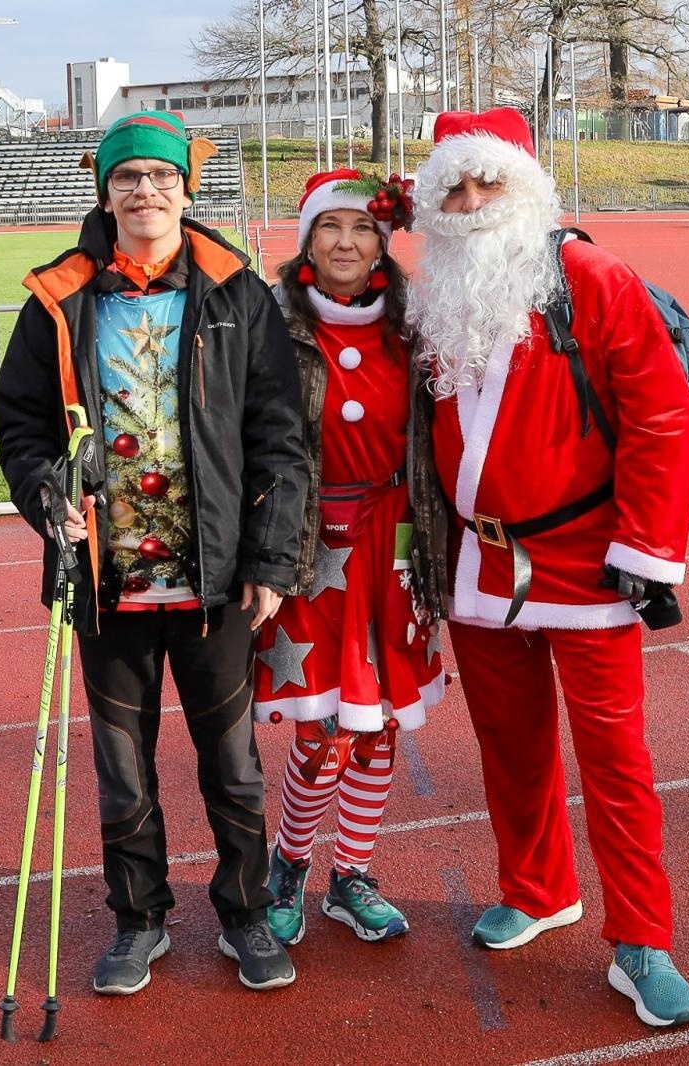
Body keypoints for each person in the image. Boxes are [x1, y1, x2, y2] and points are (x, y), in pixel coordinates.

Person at [0, 111, 309, 996]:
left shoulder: (237, 293)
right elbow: (22, 425)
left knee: (234, 767)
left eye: (161, 176)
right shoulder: (60, 298)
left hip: (216, 579)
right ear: (105, 193)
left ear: (184, 189)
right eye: (128, 177)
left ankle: (245, 915)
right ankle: (139, 920)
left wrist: (270, 561)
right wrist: (46, 497)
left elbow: (280, 439)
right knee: (122, 771)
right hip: (108, 578)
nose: (145, 191)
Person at [408, 108, 689, 1028]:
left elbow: (660, 416)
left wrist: (646, 551)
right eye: (454, 187)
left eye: (487, 181)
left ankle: (642, 940)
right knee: (511, 745)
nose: (470, 202)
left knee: (615, 759)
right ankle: (538, 889)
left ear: (527, 185)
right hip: (481, 561)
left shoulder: (592, 279)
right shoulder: (432, 289)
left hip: (587, 560)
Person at [254, 169, 448, 947]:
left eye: (363, 227)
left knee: (380, 724)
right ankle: (290, 862)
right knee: (323, 728)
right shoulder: (270, 323)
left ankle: (352, 873)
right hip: (308, 545)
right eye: (329, 226)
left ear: (383, 241)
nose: (345, 241)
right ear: (306, 238)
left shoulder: (417, 324)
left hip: (393, 543)